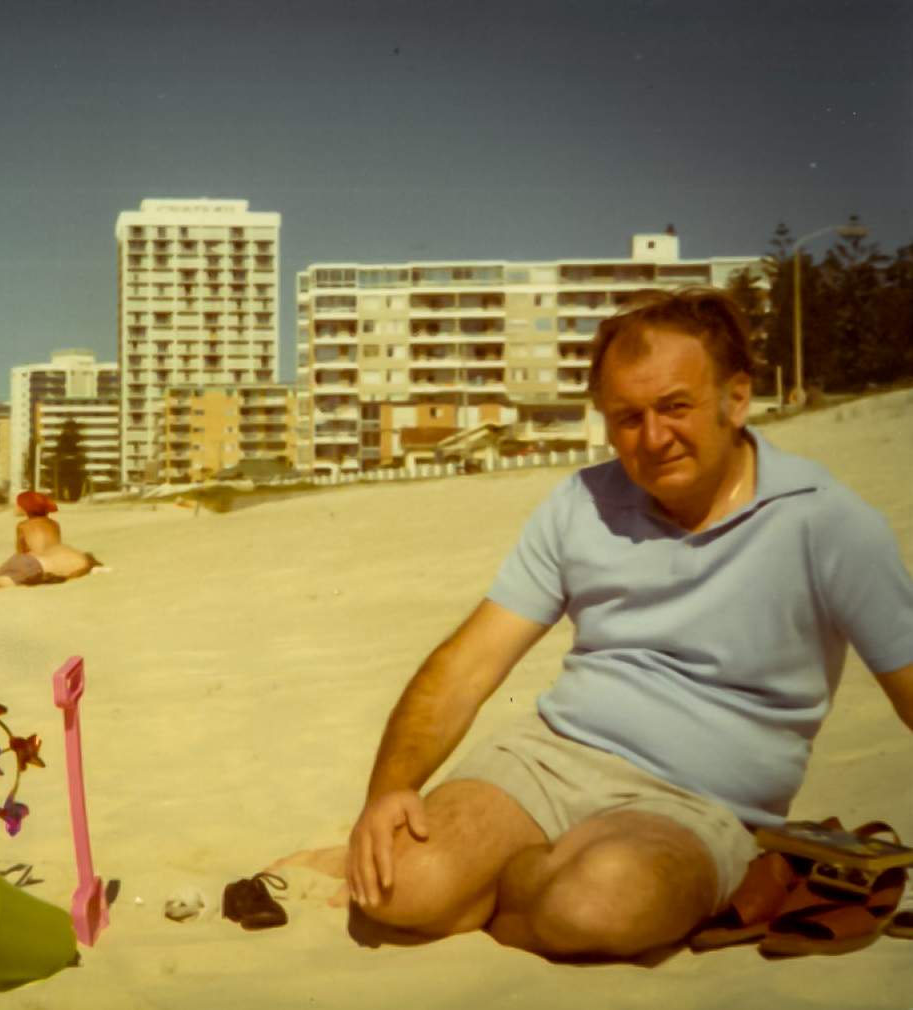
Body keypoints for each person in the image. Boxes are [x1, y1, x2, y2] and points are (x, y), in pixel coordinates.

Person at [323, 287, 913, 959]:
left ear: (737, 397)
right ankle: (518, 874)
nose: (654, 438)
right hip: (550, 761)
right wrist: (390, 791)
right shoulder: (583, 503)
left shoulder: (828, 524)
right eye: (627, 417)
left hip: (701, 803)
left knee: (595, 905)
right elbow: (467, 664)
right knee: (400, 888)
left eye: (676, 407)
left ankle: (514, 880)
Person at [0, 490, 101, 593]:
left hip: (30, 560)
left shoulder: (23, 525)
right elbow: (53, 546)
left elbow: (22, 550)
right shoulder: (54, 525)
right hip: (39, 563)